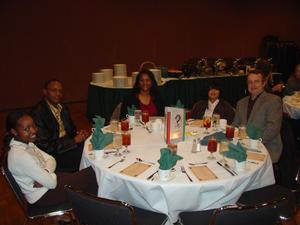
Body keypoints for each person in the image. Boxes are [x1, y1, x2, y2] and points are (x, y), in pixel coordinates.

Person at [5, 111, 98, 207]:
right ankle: (99, 213)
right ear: (14, 132)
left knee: (86, 179)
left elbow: (51, 159)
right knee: (92, 173)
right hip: (42, 195)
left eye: (33, 126)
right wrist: (48, 176)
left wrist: (46, 171)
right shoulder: (20, 156)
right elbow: (52, 183)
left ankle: (88, 212)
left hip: (46, 185)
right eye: (26, 129)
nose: (33, 131)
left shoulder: (28, 144)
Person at [31, 79, 89, 172]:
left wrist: (79, 134)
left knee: (92, 147)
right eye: (54, 90)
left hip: (65, 144)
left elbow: (71, 130)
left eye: (60, 91)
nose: (58, 94)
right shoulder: (38, 114)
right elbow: (45, 146)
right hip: (54, 154)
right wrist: (73, 141)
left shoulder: (63, 108)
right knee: (86, 156)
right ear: (45, 92)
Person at [232, 69, 283, 163]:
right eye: (250, 82)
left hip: (265, 147)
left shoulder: (273, 100)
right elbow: (235, 125)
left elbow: (272, 129)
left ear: (264, 83)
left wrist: (252, 144)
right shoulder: (241, 103)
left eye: (256, 82)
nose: (253, 85)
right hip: (243, 146)